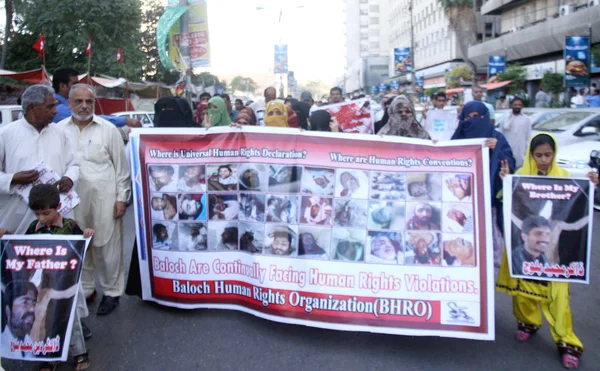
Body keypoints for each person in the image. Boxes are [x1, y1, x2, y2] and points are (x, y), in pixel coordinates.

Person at [497, 132, 599, 370]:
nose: (543, 160)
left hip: (555, 257)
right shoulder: (521, 176)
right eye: (538, 155)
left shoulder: (564, 177)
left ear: (555, 154)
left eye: (548, 155)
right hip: (526, 250)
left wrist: (591, 185)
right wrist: (506, 180)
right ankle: (528, 323)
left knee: (559, 297)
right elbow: (510, 208)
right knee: (523, 291)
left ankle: (567, 342)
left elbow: (579, 208)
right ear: (531, 155)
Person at [0, 183, 94, 369]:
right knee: (45, 322)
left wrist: (87, 236)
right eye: (37, 214)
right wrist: (8, 236)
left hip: (65, 284)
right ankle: (50, 357)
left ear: (58, 207)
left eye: (46, 213)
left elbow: (84, 248)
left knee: (69, 320)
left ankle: (80, 355)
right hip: (41, 285)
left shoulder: (70, 226)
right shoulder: (34, 227)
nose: (41, 218)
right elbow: (22, 248)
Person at [58, 84, 131, 316]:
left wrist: (122, 198)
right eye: (78, 101)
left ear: (94, 103)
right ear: (69, 103)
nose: (84, 106)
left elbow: (122, 167)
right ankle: (86, 290)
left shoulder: (108, 130)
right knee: (78, 245)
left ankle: (112, 292)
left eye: (89, 101)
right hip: (71, 200)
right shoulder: (58, 130)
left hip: (105, 198)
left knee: (108, 247)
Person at [0, 84, 79, 234]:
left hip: (58, 215)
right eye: (49, 107)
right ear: (32, 108)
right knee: (20, 256)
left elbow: (74, 164)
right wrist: (12, 179)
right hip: (18, 216)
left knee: (56, 255)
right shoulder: (5, 135)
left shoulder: (59, 133)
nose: (55, 111)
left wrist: (69, 178)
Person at [51, 68, 140, 128]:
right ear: (62, 86)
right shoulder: (58, 108)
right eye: (75, 84)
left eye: (89, 102)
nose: (78, 87)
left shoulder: (62, 104)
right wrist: (125, 120)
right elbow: (91, 119)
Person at [498, 96, 532, 168]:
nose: (517, 106)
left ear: (522, 106)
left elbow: (528, 136)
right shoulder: (505, 118)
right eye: (515, 105)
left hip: (521, 149)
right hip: (507, 148)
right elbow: (500, 133)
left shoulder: (526, 119)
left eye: (519, 105)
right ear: (511, 105)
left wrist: (527, 149)